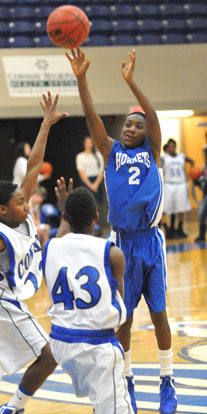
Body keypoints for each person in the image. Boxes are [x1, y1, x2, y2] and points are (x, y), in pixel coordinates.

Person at [66, 48, 177, 414]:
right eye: (128, 123)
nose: (131, 127)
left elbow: (155, 118)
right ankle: (126, 378)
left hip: (150, 242)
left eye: (138, 124)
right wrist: (82, 79)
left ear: (147, 133)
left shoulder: (154, 153)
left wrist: (131, 82)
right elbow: (91, 117)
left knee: (159, 314)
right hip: (121, 244)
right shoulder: (110, 151)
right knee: (123, 318)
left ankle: (166, 381)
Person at [0, 92, 70, 414]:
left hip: (13, 296)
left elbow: (34, 165)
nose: (26, 203)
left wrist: (45, 125)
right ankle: (14, 408)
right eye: (19, 202)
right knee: (49, 355)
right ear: (2, 210)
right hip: (4, 302)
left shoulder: (21, 209)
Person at [42, 186, 133, 414]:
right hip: (97, 345)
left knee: (99, 397)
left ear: (64, 217)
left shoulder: (49, 247)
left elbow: (61, 239)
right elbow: (118, 299)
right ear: (96, 217)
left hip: (61, 341)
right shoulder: (112, 253)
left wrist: (65, 209)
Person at [162, 138, 194, 238]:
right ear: (168, 147)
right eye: (170, 146)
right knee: (164, 210)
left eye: (173, 146)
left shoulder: (181, 156)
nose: (172, 148)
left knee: (181, 209)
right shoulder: (164, 157)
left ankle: (180, 229)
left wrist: (190, 173)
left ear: (175, 146)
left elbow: (192, 162)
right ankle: (167, 230)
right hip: (169, 184)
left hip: (180, 184)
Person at [76, 135, 104, 201]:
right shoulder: (80, 156)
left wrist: (96, 185)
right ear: (84, 143)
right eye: (87, 142)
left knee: (98, 203)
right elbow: (81, 173)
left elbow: (101, 170)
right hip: (86, 182)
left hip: (97, 182)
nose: (89, 143)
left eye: (91, 142)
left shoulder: (98, 155)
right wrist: (91, 186)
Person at [194, 144, 207, 242]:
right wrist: (197, 181)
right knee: (201, 213)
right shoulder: (204, 166)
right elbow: (203, 182)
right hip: (205, 195)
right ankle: (202, 235)